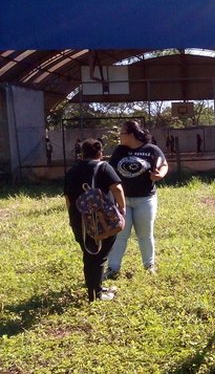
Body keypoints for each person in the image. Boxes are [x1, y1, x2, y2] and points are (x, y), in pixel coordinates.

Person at [64, 139, 126, 302]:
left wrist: (73, 219)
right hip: (101, 219)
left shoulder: (72, 171)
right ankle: (96, 295)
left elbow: (68, 198)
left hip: (79, 219)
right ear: (100, 152)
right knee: (99, 256)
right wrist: (122, 207)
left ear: (82, 153)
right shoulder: (103, 167)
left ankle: (94, 288)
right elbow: (117, 188)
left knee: (89, 254)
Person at [105, 120, 168, 279]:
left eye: (122, 133)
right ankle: (113, 268)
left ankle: (149, 266)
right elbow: (110, 170)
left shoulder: (151, 149)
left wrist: (160, 174)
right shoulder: (120, 151)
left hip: (145, 199)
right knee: (120, 234)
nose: (119, 136)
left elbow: (164, 164)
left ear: (131, 135)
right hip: (123, 200)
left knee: (145, 234)